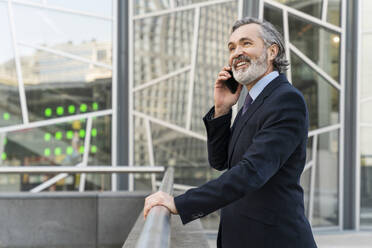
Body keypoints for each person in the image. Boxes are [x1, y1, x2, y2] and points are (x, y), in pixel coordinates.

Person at [143, 17, 317, 248]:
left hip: (274, 239)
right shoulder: (251, 102)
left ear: (272, 51)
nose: (237, 53)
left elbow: (252, 172)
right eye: (232, 47)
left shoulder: (285, 99)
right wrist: (222, 109)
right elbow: (221, 161)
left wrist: (181, 203)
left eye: (246, 44)